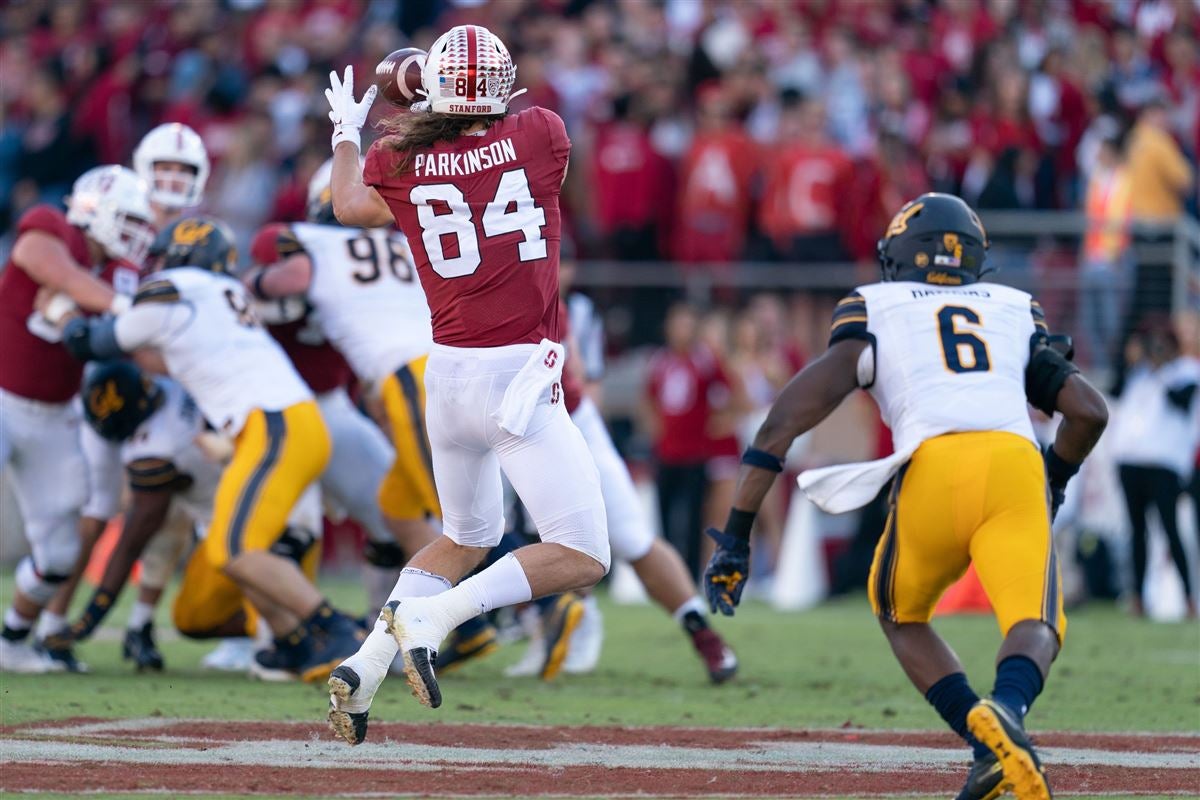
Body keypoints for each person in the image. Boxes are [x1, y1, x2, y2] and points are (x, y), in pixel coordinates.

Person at [701, 193, 1108, 800]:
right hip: (1014, 465)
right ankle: (1010, 710)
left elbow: (779, 425)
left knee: (900, 614)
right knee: (1037, 620)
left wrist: (737, 536)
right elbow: (1089, 412)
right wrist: (1054, 478)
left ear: (900, 256)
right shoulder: (1014, 308)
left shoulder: (877, 305)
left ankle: (982, 739)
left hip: (933, 469)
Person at [323, 24, 609, 744]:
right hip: (517, 375)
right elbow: (495, 132)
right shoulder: (542, 133)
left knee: (463, 536)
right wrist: (428, 83)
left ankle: (364, 667)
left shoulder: (398, 160)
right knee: (583, 553)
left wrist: (347, 134)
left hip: (446, 375)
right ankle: (437, 616)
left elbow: (349, 206)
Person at [58, 215, 363, 683]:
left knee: (237, 549)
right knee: (227, 549)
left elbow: (96, 343)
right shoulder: (219, 296)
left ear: (181, 255)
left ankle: (335, 630)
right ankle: (293, 641)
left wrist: (66, 317)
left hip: (274, 425)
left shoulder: (174, 287)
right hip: (281, 424)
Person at [244, 160, 498, 670]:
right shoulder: (408, 241)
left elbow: (288, 278)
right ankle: (461, 631)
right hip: (441, 369)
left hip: (405, 377)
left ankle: (534, 602)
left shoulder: (311, 242)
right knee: (400, 509)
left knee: (457, 513)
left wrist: (251, 286)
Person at [43, 125, 212, 671]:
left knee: (167, 509)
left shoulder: (199, 235)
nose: (169, 182)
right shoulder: (113, 220)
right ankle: (53, 621)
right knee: (93, 509)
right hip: (108, 382)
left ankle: (136, 623)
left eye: (181, 173)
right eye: (161, 169)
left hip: (166, 387)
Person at [60, 362, 323, 677]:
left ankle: (316, 633)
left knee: (277, 652)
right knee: (193, 618)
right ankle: (301, 629)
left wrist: (90, 618)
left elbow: (132, 541)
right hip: (238, 526)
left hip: (279, 521)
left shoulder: (157, 449)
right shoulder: (181, 383)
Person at [0, 165, 153, 674]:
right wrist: (120, 307)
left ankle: (14, 639)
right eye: (128, 220)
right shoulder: (52, 227)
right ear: (96, 209)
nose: (135, 235)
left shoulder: (119, 274)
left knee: (61, 552)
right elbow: (48, 266)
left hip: (54, 418)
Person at [1110, 317, 1199, 618]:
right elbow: (1115, 389)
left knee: (1171, 529)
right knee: (1137, 531)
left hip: (1164, 463)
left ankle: (1188, 597)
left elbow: (1181, 401)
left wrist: (1161, 369)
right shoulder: (1140, 373)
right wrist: (1131, 360)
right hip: (1131, 461)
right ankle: (1138, 597)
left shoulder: (1185, 371)